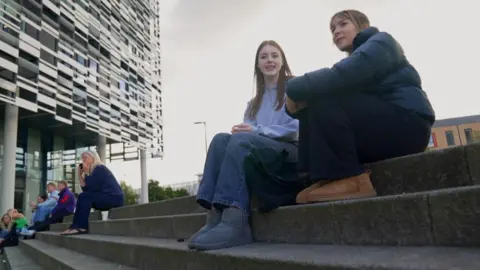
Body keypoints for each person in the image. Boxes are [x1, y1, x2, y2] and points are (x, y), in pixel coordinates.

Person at [285, 9, 435, 203]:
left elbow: (341, 75)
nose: (336, 31)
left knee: (324, 95)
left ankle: (351, 178)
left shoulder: (381, 42)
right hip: (383, 129)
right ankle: (324, 178)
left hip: (409, 124)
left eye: (343, 24)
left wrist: (294, 88)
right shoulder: (354, 60)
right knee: (318, 99)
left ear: (363, 26)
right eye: (332, 29)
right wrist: (297, 105)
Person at [188, 40, 301, 251]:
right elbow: (247, 133)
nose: (269, 60)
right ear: (257, 64)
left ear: (283, 60)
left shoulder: (293, 88)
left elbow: (294, 129)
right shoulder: (253, 103)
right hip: (261, 153)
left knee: (240, 140)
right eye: (264, 56)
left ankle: (236, 221)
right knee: (221, 139)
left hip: (289, 153)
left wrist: (256, 131)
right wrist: (242, 131)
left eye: (274, 55)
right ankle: (214, 217)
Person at [61, 150, 124, 235]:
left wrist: (86, 173)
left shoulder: (100, 168)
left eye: (85, 158)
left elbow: (91, 189)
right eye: (82, 158)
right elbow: (86, 190)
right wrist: (80, 175)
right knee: (82, 196)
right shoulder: (90, 172)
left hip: (114, 198)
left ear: (93, 158)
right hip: (104, 197)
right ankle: (75, 226)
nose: (83, 160)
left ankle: (81, 227)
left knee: (84, 196)